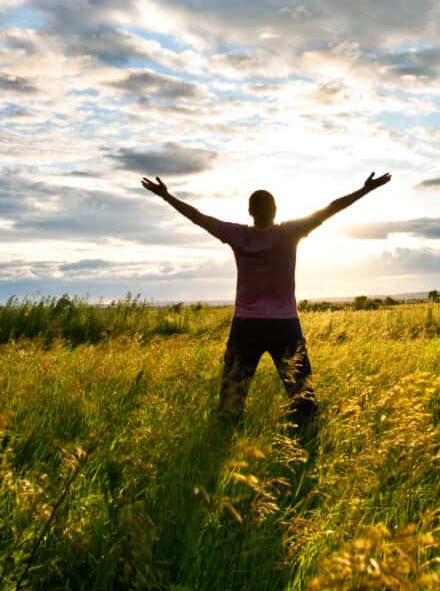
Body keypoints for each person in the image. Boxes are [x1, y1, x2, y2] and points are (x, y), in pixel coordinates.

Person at [141, 171, 391, 432]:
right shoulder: (289, 232)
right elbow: (329, 210)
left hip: (246, 326)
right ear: (275, 209)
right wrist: (365, 190)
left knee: (232, 396)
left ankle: (227, 439)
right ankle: (306, 439)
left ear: (250, 211)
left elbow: (199, 218)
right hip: (284, 325)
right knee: (302, 394)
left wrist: (167, 196)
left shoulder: (238, 235)